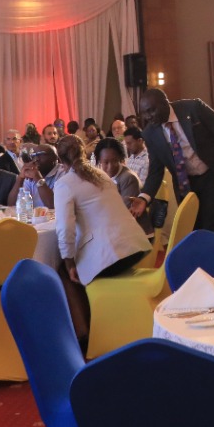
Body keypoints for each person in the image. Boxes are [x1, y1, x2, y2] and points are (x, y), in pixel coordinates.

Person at [52, 135, 154, 351]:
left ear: (61, 161)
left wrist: (69, 262)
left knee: (63, 270)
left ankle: (83, 335)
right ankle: (91, 326)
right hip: (134, 248)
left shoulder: (65, 184)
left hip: (113, 257)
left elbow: (65, 229)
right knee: (72, 265)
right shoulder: (101, 175)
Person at [136, 88, 214, 235]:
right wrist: (144, 197)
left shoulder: (193, 108)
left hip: (212, 176)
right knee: (195, 228)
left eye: (151, 110)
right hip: (186, 186)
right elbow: (156, 170)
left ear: (165, 103)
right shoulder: (149, 133)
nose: (148, 116)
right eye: (144, 112)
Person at [93, 137, 143, 203]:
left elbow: (126, 207)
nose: (110, 167)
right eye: (106, 162)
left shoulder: (128, 178)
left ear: (120, 158)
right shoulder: (98, 175)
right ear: (99, 160)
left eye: (114, 161)